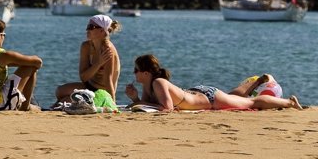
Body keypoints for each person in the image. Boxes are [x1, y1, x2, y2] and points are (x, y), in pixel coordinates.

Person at [124, 54, 302, 112]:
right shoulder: (149, 85)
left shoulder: (159, 83)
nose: (134, 73)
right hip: (199, 92)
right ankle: (255, 84)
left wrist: (138, 102)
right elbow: (152, 105)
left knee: (251, 103)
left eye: (136, 70)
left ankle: (290, 102)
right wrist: (136, 97)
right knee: (233, 97)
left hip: (209, 98)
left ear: (146, 73)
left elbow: (167, 109)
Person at [55, 14, 122, 103]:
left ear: (102, 30)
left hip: (102, 92)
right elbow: (83, 77)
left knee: (66, 100)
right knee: (59, 91)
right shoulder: (86, 46)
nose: (87, 29)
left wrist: (112, 104)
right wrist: (98, 64)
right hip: (89, 86)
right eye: (87, 26)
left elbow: (108, 81)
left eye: (91, 27)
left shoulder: (107, 50)